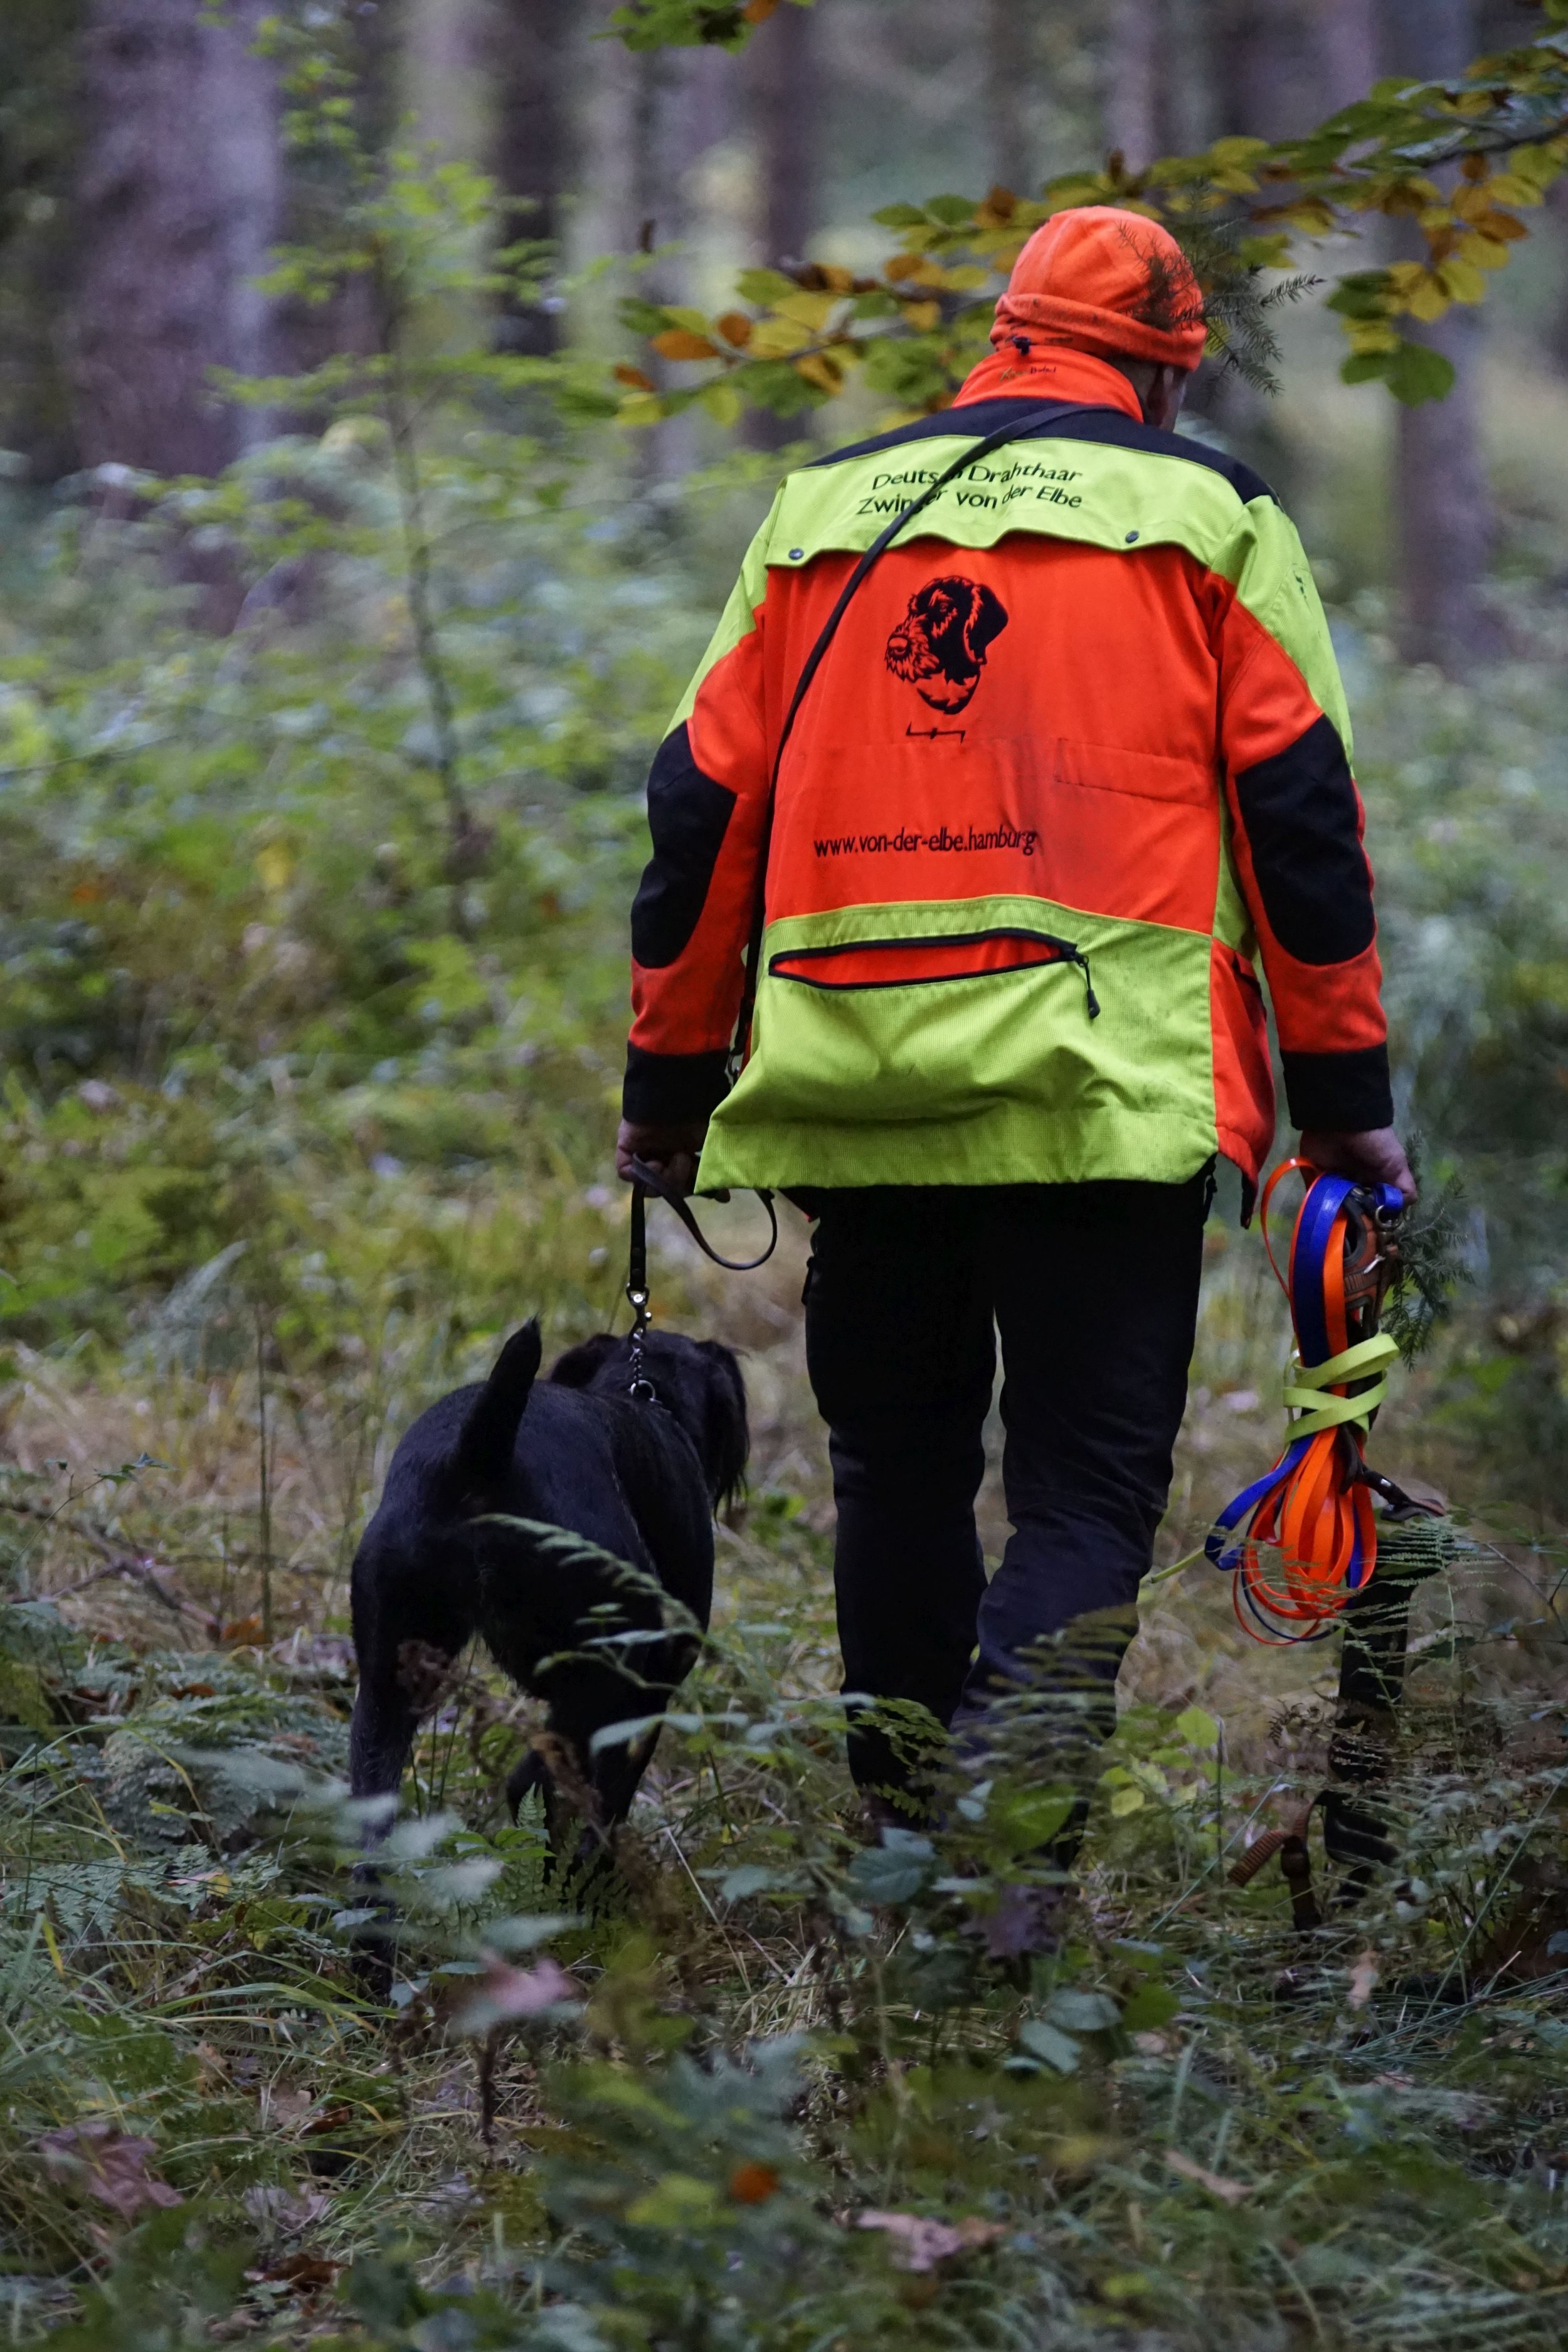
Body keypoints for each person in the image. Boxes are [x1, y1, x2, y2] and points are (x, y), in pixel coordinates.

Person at [615, 206, 1414, 1817]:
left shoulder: (822, 511)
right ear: (1165, 370)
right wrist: (1343, 1101)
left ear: (1004, 336)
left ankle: (907, 1843)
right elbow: (1300, 820)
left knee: (891, 1475)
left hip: (859, 1083)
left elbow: (701, 806)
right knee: (1081, 1499)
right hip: (1104, 1097)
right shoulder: (1208, 515)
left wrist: (667, 1086)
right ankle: (1007, 1862)